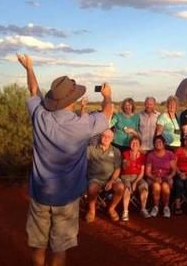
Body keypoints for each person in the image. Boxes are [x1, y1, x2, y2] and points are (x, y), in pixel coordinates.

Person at [17, 53, 112, 266]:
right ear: (74, 99)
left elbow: (33, 91)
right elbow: (106, 114)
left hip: (40, 193)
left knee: (38, 244)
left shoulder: (41, 117)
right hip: (67, 198)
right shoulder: (82, 125)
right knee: (59, 248)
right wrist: (107, 95)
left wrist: (29, 68)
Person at [85, 129, 124, 223]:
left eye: (109, 137)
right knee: (92, 188)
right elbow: (82, 164)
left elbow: (117, 169)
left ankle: (111, 209)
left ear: (112, 139)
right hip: (95, 178)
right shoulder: (90, 149)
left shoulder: (116, 151)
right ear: (100, 137)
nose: (106, 138)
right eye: (104, 136)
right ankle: (91, 211)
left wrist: (112, 181)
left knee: (120, 187)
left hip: (111, 178)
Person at [145, 135, 177, 218]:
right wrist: (154, 178)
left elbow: (174, 170)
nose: (158, 144)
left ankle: (166, 207)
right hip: (154, 177)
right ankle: (156, 207)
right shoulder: (150, 155)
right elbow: (148, 172)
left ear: (164, 143)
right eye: (156, 142)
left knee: (165, 186)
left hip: (166, 177)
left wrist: (170, 176)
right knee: (156, 186)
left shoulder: (170, 154)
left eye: (160, 142)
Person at [120, 135, 150, 221]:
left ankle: (143, 209)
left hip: (138, 177)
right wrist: (126, 163)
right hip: (126, 177)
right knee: (127, 189)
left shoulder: (143, 157)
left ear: (140, 145)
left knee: (144, 186)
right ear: (130, 145)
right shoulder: (125, 153)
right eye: (133, 143)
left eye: (137, 143)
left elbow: (142, 172)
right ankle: (125, 211)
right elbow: (124, 167)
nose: (135, 144)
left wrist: (135, 182)